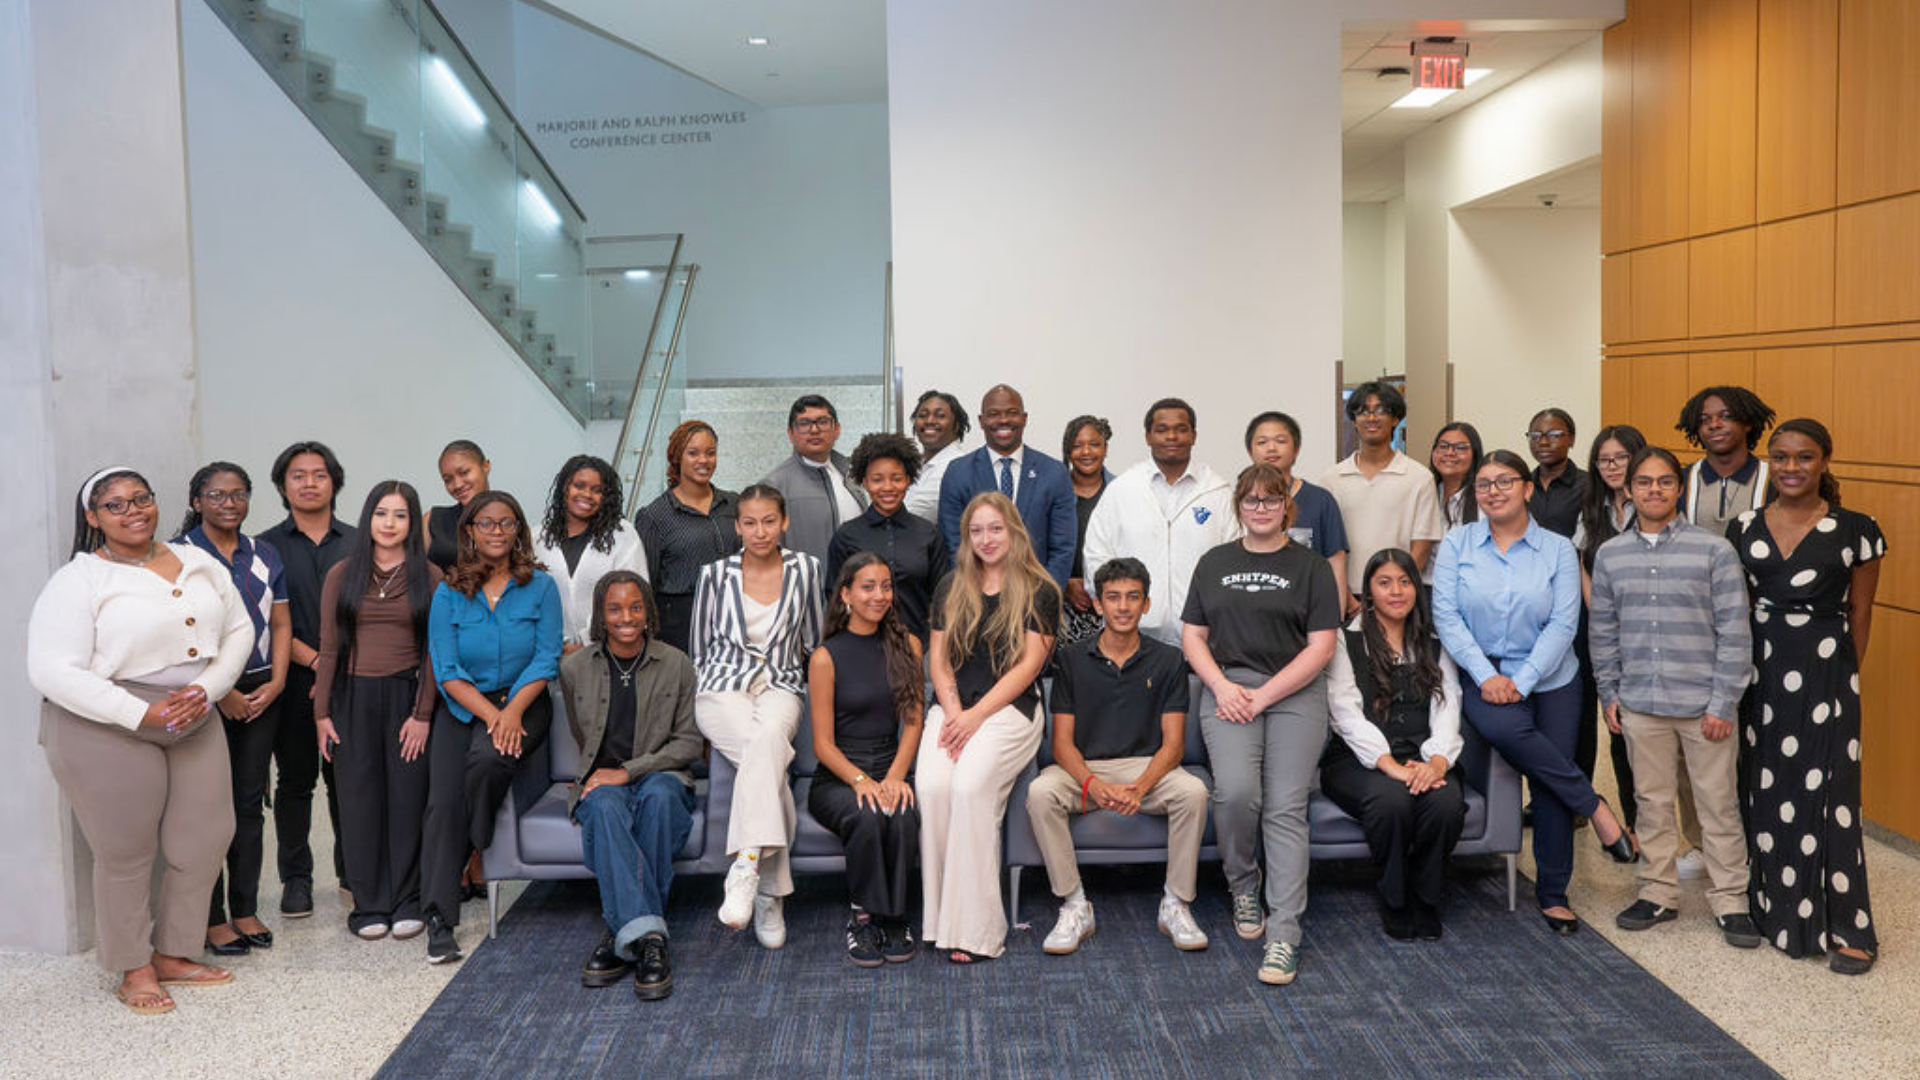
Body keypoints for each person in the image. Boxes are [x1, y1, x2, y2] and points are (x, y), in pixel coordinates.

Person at [28, 467, 253, 1015]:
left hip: (192, 711)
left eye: (142, 499)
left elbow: (240, 629)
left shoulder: (199, 562)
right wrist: (139, 712)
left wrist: (207, 689)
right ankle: (134, 967)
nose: (133, 511)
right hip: (106, 722)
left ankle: (175, 951)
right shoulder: (79, 581)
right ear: (92, 518)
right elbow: (51, 669)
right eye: (116, 505)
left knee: (206, 837)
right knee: (126, 852)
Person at [1431, 450, 1638, 936]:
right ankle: (1596, 807)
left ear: (1527, 488)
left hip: (1551, 676)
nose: (1494, 491)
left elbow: (1566, 622)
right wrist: (1487, 677)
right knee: (1524, 740)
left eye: (1505, 482)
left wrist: (1521, 681)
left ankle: (1553, 892)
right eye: (1484, 484)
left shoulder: (1558, 549)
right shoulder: (1458, 543)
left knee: (1548, 779)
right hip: (1481, 671)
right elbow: (1447, 618)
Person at [1728, 419, 1885, 974]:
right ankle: (1776, 909)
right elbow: (1737, 609)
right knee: (1767, 790)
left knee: (1832, 799)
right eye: (1782, 457)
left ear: (1824, 461)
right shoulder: (1743, 526)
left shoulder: (1857, 529)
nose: (1791, 467)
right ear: (1770, 461)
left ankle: (1848, 925)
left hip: (1828, 677)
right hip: (1760, 673)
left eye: (1804, 457)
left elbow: (1861, 612)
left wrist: (1843, 674)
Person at [1588, 448, 1759, 948]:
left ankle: (1731, 900)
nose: (1655, 491)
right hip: (1640, 703)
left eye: (1665, 482)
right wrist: (1610, 694)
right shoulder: (1611, 555)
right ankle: (1658, 893)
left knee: (1717, 806)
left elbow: (1735, 631)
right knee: (1651, 804)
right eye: (1644, 483)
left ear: (1679, 489)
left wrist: (1723, 701)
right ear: (1629, 490)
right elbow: (1604, 631)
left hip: (1705, 706)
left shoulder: (1714, 551)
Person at [1180, 463, 1341, 986]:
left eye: (1271, 500)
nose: (1261, 509)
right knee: (1235, 793)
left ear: (1286, 507)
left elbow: (1321, 647)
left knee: (1286, 807)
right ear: (1239, 507)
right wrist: (1224, 689)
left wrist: (1265, 695)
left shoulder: (1312, 567)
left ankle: (1284, 936)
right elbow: (1192, 635)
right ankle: (1243, 884)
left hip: (1294, 690)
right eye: (1251, 500)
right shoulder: (1215, 561)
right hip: (1228, 686)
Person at [1028, 557, 1209, 955]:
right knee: (1041, 792)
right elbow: (1062, 745)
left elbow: (1174, 745)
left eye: (1132, 597)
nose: (1123, 607)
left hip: (1148, 769)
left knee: (1193, 792)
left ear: (1146, 605)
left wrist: (1138, 788)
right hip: (1085, 770)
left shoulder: (1168, 659)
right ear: (1097, 604)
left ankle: (1175, 903)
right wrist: (1094, 785)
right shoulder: (1071, 658)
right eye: (1113, 597)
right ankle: (1075, 904)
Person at [422, 492, 563, 964]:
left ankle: (472, 847)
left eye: (507, 524)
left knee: (488, 758)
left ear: (518, 530)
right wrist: (491, 714)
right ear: (469, 532)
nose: (497, 532)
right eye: (487, 524)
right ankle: (440, 920)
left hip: (525, 701)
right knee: (443, 802)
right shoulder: (448, 591)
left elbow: (546, 657)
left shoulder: (540, 587)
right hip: (465, 706)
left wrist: (512, 711)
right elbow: (446, 667)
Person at [919, 492, 1059, 962]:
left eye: (995, 528)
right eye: (976, 530)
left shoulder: (1040, 588)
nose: (986, 539)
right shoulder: (950, 586)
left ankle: (978, 930)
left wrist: (976, 717)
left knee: (969, 788)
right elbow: (937, 660)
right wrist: (956, 711)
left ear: (1014, 530)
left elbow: (1029, 667)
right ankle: (942, 921)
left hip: (1010, 712)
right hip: (955, 707)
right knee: (935, 788)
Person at [689, 484, 825, 950]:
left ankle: (746, 865)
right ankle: (769, 895)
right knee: (769, 762)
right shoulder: (713, 574)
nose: (759, 531)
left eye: (769, 520)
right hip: (721, 689)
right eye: (750, 522)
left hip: (783, 685)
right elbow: (699, 647)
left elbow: (814, 639)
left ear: (783, 522)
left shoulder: (806, 569)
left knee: (768, 742)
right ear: (737, 526)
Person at [560, 572, 701, 1000]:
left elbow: (689, 743)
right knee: (602, 805)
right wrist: (610, 778)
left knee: (658, 798)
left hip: (662, 774)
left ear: (649, 612)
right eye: (615, 608)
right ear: (601, 615)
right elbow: (583, 738)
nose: (627, 617)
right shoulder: (574, 668)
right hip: (603, 780)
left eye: (636, 607)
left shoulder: (676, 663)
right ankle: (650, 941)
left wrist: (631, 770)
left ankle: (621, 931)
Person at [312, 481, 442, 942]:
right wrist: (322, 713)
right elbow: (329, 649)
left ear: (413, 522)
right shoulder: (342, 574)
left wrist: (422, 714)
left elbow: (434, 652)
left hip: (408, 696)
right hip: (351, 698)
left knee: (408, 799)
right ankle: (368, 904)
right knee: (358, 800)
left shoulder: (429, 576)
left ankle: (407, 899)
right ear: (368, 518)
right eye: (382, 513)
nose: (390, 524)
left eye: (401, 515)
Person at [171, 462, 289, 957]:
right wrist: (222, 692)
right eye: (216, 495)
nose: (229, 503)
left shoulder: (264, 553)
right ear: (197, 500)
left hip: (263, 692)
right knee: (206, 810)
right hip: (203, 694)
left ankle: (243, 908)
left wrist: (279, 680)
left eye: (238, 494)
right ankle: (211, 917)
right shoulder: (177, 558)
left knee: (248, 805)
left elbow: (281, 624)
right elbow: (177, 633)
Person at [1322, 548, 1467, 941]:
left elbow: (1448, 702)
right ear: (1368, 593)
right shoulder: (1343, 640)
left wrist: (1437, 762)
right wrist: (1390, 766)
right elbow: (1344, 712)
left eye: (1405, 582)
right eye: (1384, 583)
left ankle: (1426, 896)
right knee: (1391, 801)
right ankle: (1395, 897)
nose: (1397, 591)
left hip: (1423, 754)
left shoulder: (1436, 642)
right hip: (1358, 760)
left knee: (1445, 803)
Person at [807, 553, 926, 966]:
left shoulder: (908, 645)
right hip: (838, 778)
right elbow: (822, 744)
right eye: (867, 586)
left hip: (890, 765)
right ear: (846, 595)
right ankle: (862, 916)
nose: (879, 595)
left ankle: (895, 916)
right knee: (868, 812)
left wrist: (895, 777)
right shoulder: (825, 656)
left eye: (886, 586)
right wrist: (862, 782)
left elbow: (913, 723)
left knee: (904, 812)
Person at [255, 440, 356, 920]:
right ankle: (296, 879)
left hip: (355, 682)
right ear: (282, 486)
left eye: (319, 474)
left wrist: (335, 667)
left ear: (334, 481)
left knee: (349, 782)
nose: (310, 482)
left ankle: (354, 873)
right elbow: (266, 620)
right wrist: (317, 663)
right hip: (291, 681)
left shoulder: (362, 541)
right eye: (298, 475)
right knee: (295, 782)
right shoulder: (263, 547)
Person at [1083, 398, 1239, 645]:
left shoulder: (1217, 491)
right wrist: (1115, 607)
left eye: (1181, 429)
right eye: (1162, 430)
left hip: (1204, 638)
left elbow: (1235, 561)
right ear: (1147, 437)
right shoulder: (1122, 489)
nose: (1172, 437)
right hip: (1133, 640)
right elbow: (1096, 557)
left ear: (1194, 435)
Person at [1575, 425, 1648, 834]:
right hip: (1607, 634)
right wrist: (1602, 613)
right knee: (1619, 731)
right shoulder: (1593, 510)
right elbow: (1582, 566)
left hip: (1649, 633)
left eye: (1620, 457)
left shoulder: (1654, 505)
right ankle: (1636, 828)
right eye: (1604, 460)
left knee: (1652, 736)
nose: (1612, 466)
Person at [1320, 382, 1446, 613]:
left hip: (1398, 600)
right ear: (1354, 419)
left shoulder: (1419, 477)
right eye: (1363, 411)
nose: (1371, 417)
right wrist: (1346, 597)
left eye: (1380, 410)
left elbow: (1421, 548)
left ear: (1396, 419)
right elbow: (1325, 547)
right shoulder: (1331, 479)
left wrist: (1394, 593)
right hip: (1344, 598)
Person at [937, 384, 1079, 588]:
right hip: (977, 601)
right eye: (994, 414)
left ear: (1024, 418)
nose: (1003, 420)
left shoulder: (1054, 473)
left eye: (1012, 413)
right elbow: (953, 546)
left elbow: (1063, 549)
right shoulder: (958, 472)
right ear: (982, 420)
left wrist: (1042, 599)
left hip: (1037, 601)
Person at [827, 432, 950, 644]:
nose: (887, 488)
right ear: (864, 482)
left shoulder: (928, 534)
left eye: (897, 478)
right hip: (861, 648)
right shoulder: (846, 536)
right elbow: (835, 598)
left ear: (909, 480)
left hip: (919, 649)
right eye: (877, 480)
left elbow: (942, 599)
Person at [633, 420, 741, 653]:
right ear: (677, 457)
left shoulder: (733, 503)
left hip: (735, 613)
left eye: (710, 453)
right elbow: (646, 583)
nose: (703, 460)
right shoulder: (654, 516)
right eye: (693, 453)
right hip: (680, 623)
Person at [531, 454, 649, 652]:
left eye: (597, 490)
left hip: (608, 652)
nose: (587, 495)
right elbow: (531, 599)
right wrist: (561, 645)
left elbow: (636, 594)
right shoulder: (538, 538)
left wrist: (586, 643)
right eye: (579, 485)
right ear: (564, 487)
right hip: (551, 653)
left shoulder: (623, 535)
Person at [1246, 410, 1350, 590]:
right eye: (1262, 442)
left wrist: (1335, 615)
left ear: (1296, 449)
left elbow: (1336, 564)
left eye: (1280, 441)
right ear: (1250, 451)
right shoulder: (1242, 502)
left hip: (1310, 609)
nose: (1271, 448)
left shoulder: (1321, 500)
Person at [760, 395, 865, 564]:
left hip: (856, 585)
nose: (814, 430)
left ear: (837, 429)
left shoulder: (852, 473)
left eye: (822, 421)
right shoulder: (773, 486)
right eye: (804, 423)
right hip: (806, 587)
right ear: (790, 434)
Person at [1677, 385, 1776, 536]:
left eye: (1726, 416)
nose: (1714, 425)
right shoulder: (1681, 480)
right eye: (1704, 420)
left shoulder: (1774, 480)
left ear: (1747, 423)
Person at [1060, 415, 1114, 645]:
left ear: (1105, 448)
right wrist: (1064, 584)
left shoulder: (1122, 491)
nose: (1086, 452)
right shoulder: (1054, 490)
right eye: (1077, 446)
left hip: (1110, 600)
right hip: (1062, 604)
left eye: (1094, 444)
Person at [903, 390, 972, 520]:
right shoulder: (915, 464)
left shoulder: (957, 466)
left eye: (940, 416)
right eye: (923, 415)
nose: (929, 421)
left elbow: (913, 512)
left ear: (956, 425)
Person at [426, 440, 491, 573]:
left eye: (464, 472)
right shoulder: (433, 519)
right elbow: (414, 573)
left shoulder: (507, 516)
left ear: (485, 466)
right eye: (448, 480)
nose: (457, 485)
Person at [1525, 407, 1587, 539]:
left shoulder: (1589, 485)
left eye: (1554, 435)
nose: (1543, 442)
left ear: (1571, 440)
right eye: (1535, 436)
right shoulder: (1522, 485)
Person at [1428, 422, 1483, 528]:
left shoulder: (1484, 500)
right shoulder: (1425, 494)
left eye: (1460, 448)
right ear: (1433, 452)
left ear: (1474, 455)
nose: (1450, 453)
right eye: (1443, 446)